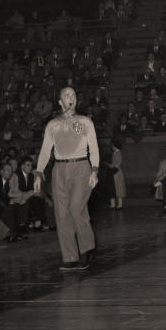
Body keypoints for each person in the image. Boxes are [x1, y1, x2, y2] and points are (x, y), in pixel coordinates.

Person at [33, 86, 100, 272]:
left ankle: (87, 249)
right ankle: (70, 256)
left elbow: (94, 148)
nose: (71, 97)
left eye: (74, 94)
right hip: (59, 169)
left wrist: (94, 170)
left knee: (76, 208)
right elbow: (46, 150)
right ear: (60, 102)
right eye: (67, 95)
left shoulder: (85, 121)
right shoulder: (52, 125)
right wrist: (38, 173)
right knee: (61, 213)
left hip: (81, 167)